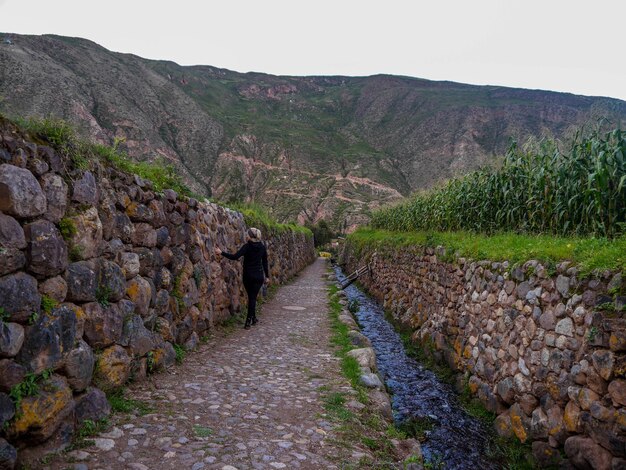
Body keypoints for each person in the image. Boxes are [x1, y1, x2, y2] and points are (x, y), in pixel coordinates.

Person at [215, 227, 269, 329]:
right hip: (258, 276)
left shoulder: (247, 247)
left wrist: (221, 252)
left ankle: (248, 322)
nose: (246, 235)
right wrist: (267, 276)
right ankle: (253, 318)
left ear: (249, 236)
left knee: (251, 297)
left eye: (247, 234)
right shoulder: (262, 247)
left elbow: (235, 257)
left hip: (248, 276)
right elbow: (265, 262)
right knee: (253, 297)